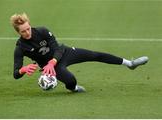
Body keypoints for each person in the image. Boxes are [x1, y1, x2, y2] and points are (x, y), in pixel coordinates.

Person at [11, 13, 149, 92]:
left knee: (95, 55)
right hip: (51, 68)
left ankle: (130, 63)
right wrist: (23, 69)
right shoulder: (20, 47)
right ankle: (74, 89)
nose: (27, 32)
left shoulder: (41, 30)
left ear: (30, 25)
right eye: (23, 31)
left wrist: (52, 62)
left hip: (63, 54)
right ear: (18, 32)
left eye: (28, 28)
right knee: (71, 81)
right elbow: (15, 74)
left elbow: (58, 47)